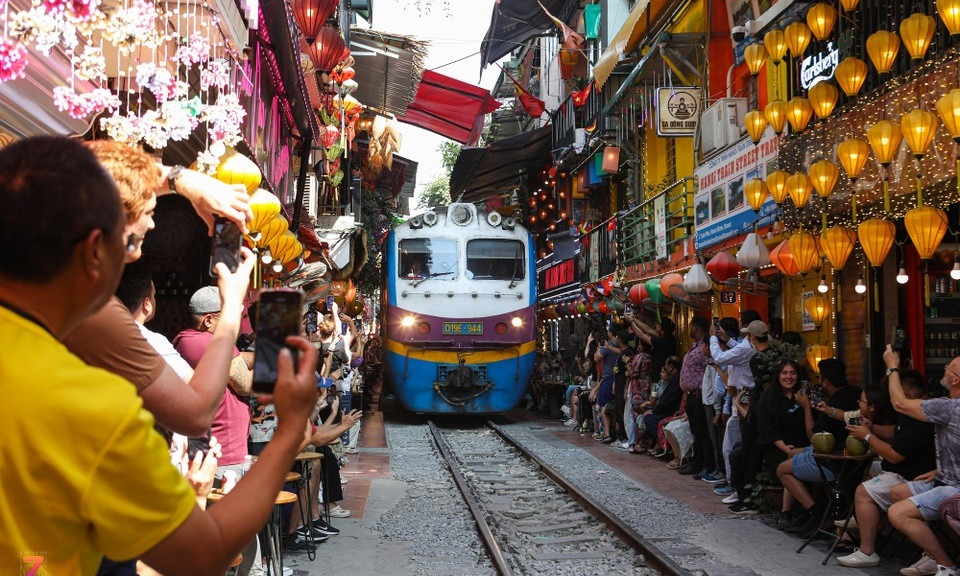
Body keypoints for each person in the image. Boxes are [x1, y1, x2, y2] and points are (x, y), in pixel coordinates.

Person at [0, 136, 318, 576]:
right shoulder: (94, 409)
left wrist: (179, 180)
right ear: (93, 253)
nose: (133, 259)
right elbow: (202, 553)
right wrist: (290, 432)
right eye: (129, 247)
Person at [64, 139, 256, 438]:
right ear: (114, 214)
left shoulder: (54, 284)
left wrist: (181, 180)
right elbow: (195, 414)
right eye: (150, 210)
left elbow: (78, 171)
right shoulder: (97, 313)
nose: (153, 225)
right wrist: (231, 306)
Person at [837, 371, 935, 569]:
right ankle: (867, 519)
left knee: (862, 492)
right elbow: (897, 432)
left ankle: (867, 551)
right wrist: (873, 428)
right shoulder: (913, 411)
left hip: (912, 476)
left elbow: (894, 455)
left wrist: (867, 436)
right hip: (904, 470)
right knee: (865, 469)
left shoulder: (921, 417)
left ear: (905, 394)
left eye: (893, 394)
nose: (890, 400)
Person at [884, 347, 960, 576]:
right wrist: (939, 468)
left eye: (948, 367)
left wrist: (892, 367)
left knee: (898, 513)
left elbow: (899, 403)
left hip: (954, 489)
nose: (944, 369)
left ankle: (946, 565)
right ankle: (933, 554)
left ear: (956, 380)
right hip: (946, 478)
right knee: (897, 492)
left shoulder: (949, 407)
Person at [778, 358, 862, 538]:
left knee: (782, 470)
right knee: (792, 454)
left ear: (825, 382)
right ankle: (803, 508)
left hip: (834, 460)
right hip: (853, 459)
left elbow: (814, 438)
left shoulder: (834, 405)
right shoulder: (855, 393)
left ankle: (815, 512)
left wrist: (807, 408)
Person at [709, 310, 761, 497]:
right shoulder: (748, 345)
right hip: (739, 397)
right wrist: (726, 339)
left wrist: (713, 338)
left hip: (742, 398)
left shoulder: (747, 347)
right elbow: (738, 350)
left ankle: (734, 484)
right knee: (736, 444)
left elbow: (719, 357)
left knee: (731, 446)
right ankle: (735, 482)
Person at [755, 360, 810, 521]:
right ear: (778, 376)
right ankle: (789, 511)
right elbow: (768, 428)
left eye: (793, 373)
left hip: (803, 444)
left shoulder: (803, 395)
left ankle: (802, 511)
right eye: (784, 373)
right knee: (790, 466)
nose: (789, 377)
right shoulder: (769, 396)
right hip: (777, 446)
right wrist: (786, 448)